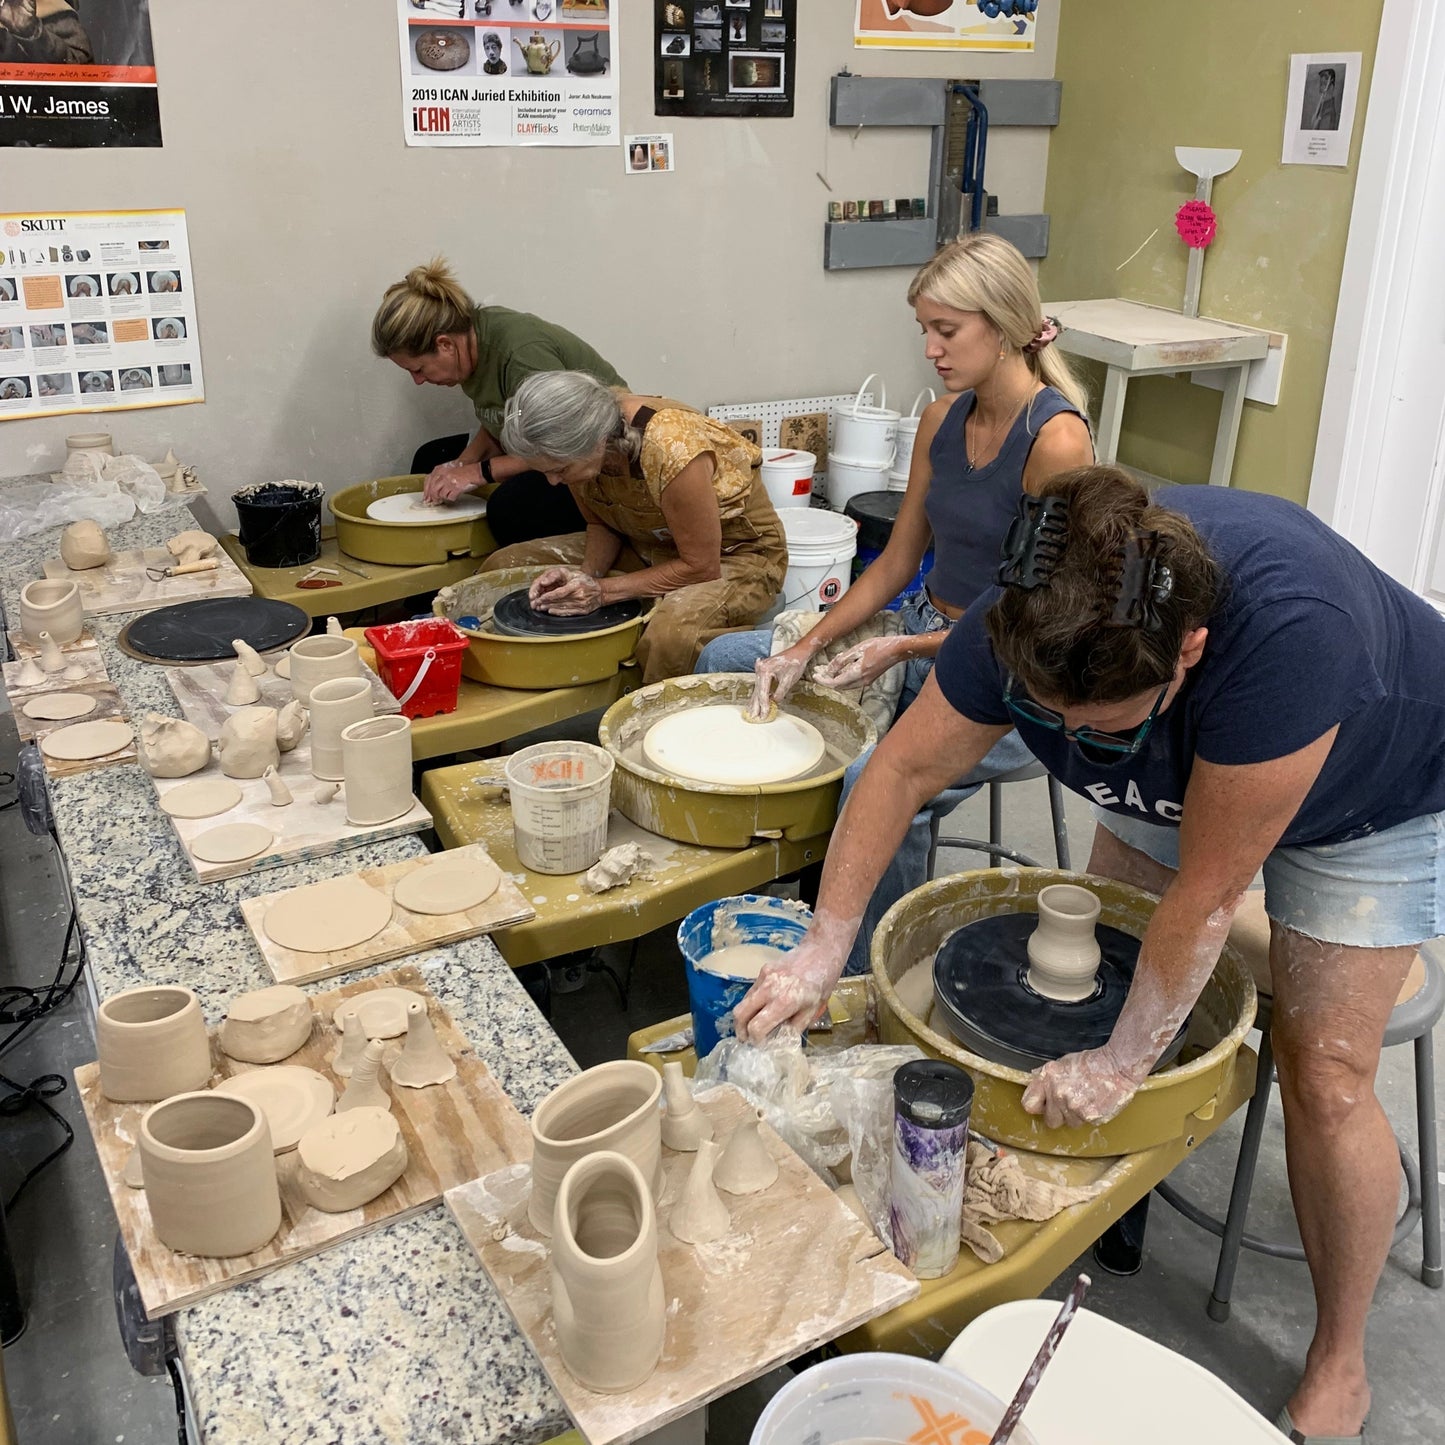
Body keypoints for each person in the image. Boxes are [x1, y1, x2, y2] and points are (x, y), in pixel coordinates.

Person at [736, 467, 1445, 1443]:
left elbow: (1204, 899)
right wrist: (823, 944)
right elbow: (898, 766)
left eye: (1092, 726)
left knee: (1323, 1069)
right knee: (1099, 979)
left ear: (1187, 649)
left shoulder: (1287, 636)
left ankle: (1339, 1354)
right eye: (1045, 713)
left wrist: (1120, 1064)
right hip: (1185, 739)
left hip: (1374, 785)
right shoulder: (1038, 598)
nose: (1065, 745)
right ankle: (1113, 1193)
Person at [696, 233, 1092, 974]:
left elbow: (1034, 615)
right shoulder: (943, 421)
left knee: (873, 779)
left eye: (946, 330)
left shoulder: (1056, 440)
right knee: (729, 656)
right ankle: (781, 878)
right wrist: (805, 644)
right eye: (924, 331)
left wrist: (903, 650)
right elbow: (895, 565)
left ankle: (870, 973)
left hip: (1010, 677)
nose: (930, 349)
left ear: (1003, 325)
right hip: (918, 632)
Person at [481, 370, 787, 684]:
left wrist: (600, 592)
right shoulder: (577, 450)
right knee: (504, 566)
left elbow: (701, 566)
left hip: (735, 556)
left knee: (671, 637)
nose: (553, 481)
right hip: (643, 542)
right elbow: (600, 523)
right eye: (544, 471)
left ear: (596, 441)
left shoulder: (671, 446)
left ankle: (654, 719)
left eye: (559, 470)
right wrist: (585, 577)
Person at [370, 258, 629, 546]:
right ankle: (437, 569)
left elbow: (554, 445)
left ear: (445, 345)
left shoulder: (521, 355)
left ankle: (509, 577)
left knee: (510, 507)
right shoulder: (469, 348)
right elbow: (498, 419)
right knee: (430, 458)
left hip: (595, 455)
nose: (418, 381)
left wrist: (477, 472)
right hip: (543, 444)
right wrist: (460, 464)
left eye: (418, 369)